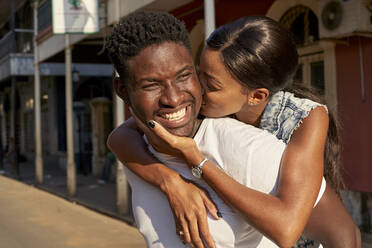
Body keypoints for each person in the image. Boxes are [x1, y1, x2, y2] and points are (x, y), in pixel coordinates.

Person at [106, 11, 360, 248]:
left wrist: (198, 160)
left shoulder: (304, 120)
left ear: (255, 96)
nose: (193, 91)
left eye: (212, 85)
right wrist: (171, 183)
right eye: (198, 75)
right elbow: (119, 137)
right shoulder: (200, 109)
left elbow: (290, 229)